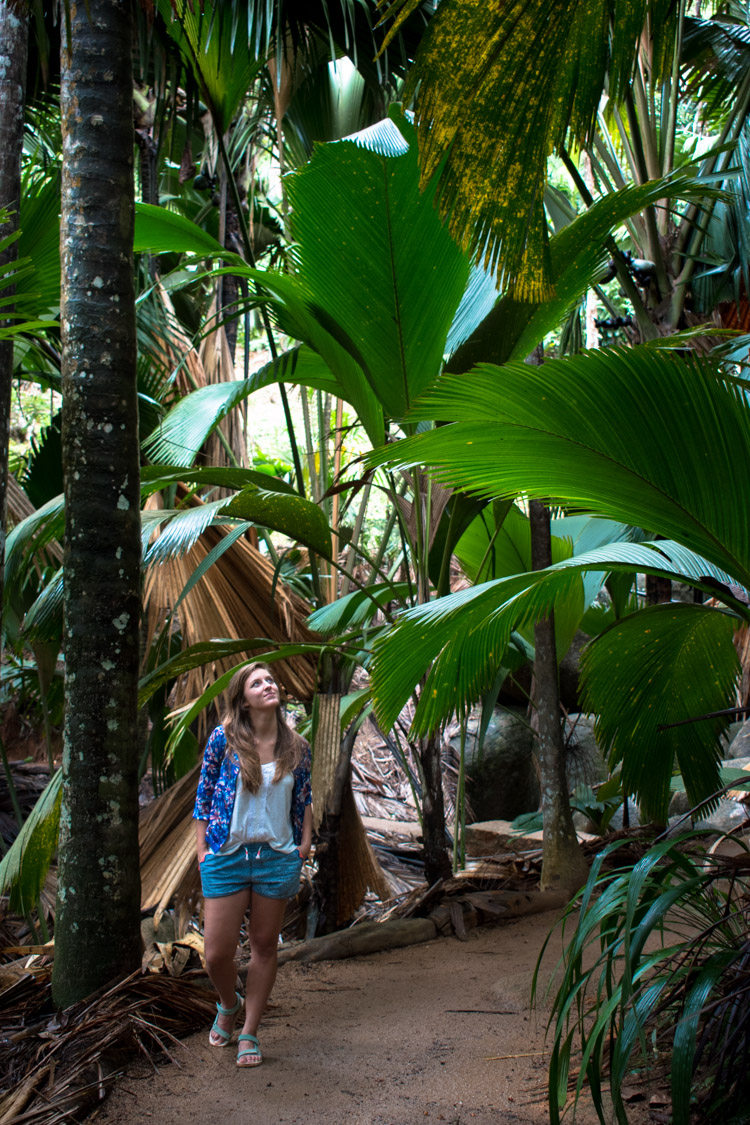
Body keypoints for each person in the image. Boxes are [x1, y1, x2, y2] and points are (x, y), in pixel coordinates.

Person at [193, 661, 312, 1068]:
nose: (267, 685)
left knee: (263, 946)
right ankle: (229, 1002)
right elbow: (203, 795)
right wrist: (201, 850)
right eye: (256, 682)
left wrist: (304, 843)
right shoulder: (223, 740)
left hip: (276, 858)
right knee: (216, 954)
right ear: (242, 700)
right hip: (227, 856)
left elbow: (303, 798)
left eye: (270, 680)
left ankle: (250, 1032)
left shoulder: (296, 745)